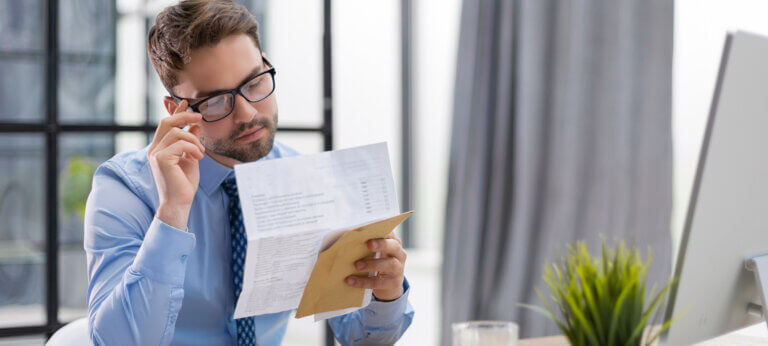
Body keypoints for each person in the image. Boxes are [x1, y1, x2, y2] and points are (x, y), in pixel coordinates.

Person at [83, 1, 413, 344]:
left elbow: (362, 338)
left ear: (267, 65)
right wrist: (173, 212)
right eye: (214, 101)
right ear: (175, 111)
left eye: (254, 82)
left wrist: (385, 294)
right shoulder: (124, 190)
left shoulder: (304, 179)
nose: (247, 113)